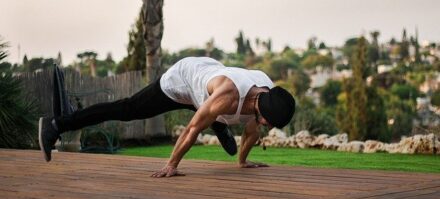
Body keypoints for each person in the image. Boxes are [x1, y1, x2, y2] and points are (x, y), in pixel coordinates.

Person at [39, 57, 296, 178]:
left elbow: (253, 130)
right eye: (268, 122)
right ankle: (57, 124)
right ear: (258, 106)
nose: (268, 126)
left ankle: (218, 124)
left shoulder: (268, 91)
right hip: (183, 81)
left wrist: (242, 161)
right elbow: (192, 129)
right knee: (128, 109)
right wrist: (172, 164)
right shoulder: (227, 96)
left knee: (222, 130)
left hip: (210, 79)